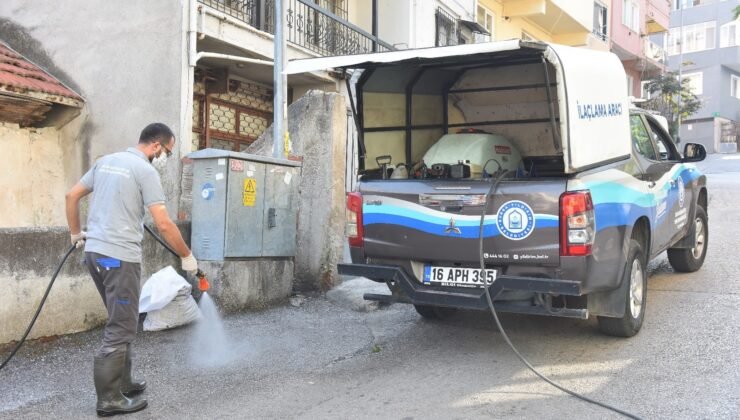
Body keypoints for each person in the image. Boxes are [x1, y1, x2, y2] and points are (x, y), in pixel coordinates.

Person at [65, 123, 198, 417]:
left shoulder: (105, 162)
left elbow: (71, 196)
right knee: (122, 325)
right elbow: (164, 223)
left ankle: (122, 381)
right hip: (119, 257)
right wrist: (187, 256)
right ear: (156, 146)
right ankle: (109, 399)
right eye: (168, 152)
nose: (166, 158)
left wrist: (76, 233)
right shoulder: (146, 171)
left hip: (94, 254)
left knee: (120, 317)